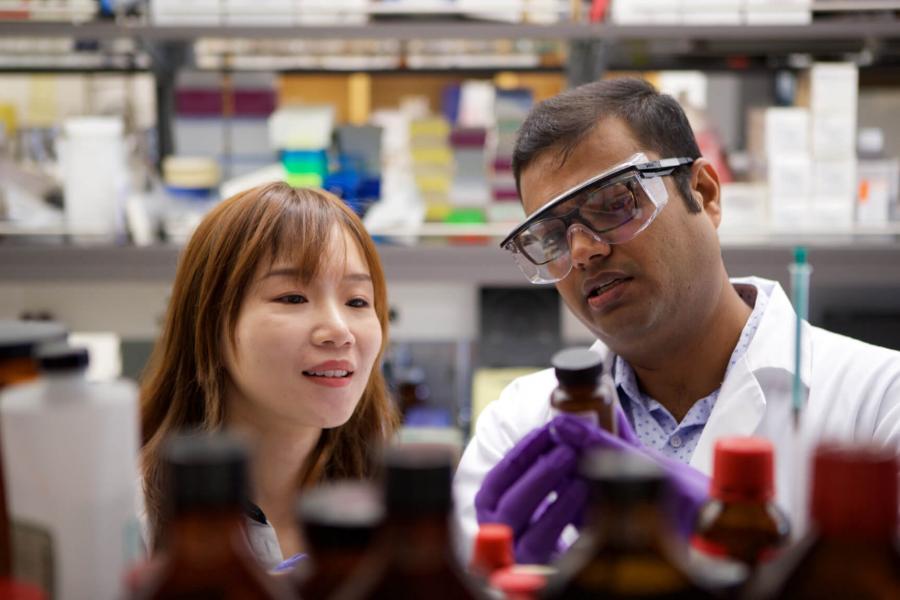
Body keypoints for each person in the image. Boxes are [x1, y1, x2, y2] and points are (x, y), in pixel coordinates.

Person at [453, 78, 900, 564]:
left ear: (705, 194)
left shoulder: (879, 402)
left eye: (614, 203)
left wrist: (737, 556)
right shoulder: (518, 423)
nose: (583, 250)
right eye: (551, 237)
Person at [139, 182, 399, 568]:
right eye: (292, 298)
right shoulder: (133, 521)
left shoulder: (398, 511)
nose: (339, 330)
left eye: (358, 301)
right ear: (208, 323)